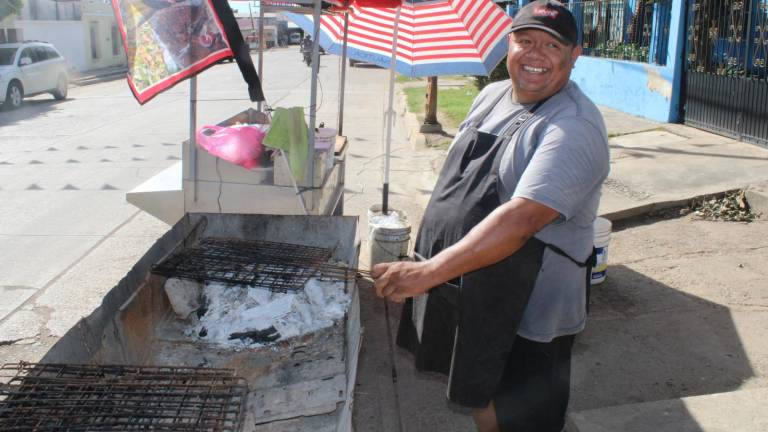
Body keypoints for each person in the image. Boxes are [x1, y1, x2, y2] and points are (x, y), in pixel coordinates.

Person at [370, 1, 610, 431]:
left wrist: (428, 273)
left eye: (552, 45)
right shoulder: (491, 95)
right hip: (471, 283)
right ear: (509, 44)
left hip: (531, 303)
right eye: (525, 40)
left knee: (525, 415)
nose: (535, 55)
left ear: (574, 56)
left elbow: (521, 220)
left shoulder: (572, 127)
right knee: (479, 388)